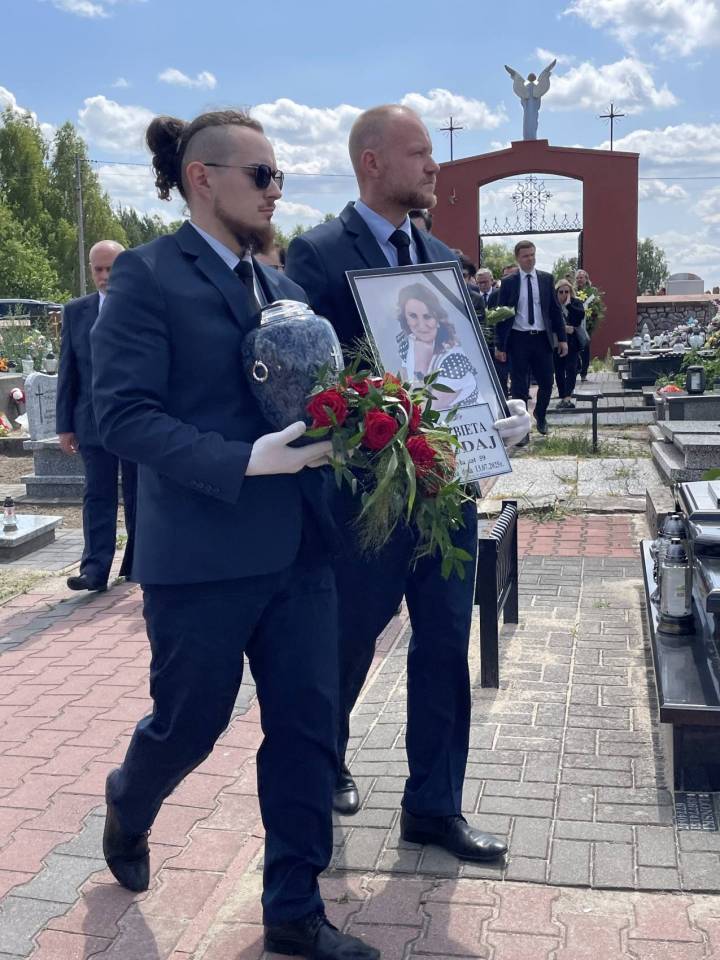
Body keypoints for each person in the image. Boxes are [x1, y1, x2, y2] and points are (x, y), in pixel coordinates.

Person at [91, 108, 379, 960]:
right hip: (203, 557)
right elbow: (123, 416)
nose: (275, 190)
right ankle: (129, 799)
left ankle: (295, 912)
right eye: (262, 175)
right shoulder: (147, 276)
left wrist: (414, 430)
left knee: (308, 729)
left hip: (300, 551)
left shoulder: (281, 287)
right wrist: (244, 461)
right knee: (191, 723)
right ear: (202, 179)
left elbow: (325, 402)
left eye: (279, 175)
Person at [286, 104, 529, 864]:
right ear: (372, 162)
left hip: (448, 491)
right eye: (419, 152)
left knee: (444, 646)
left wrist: (501, 416)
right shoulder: (319, 254)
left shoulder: (445, 259)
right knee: (348, 640)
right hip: (366, 499)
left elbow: (461, 366)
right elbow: (307, 383)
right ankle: (323, 763)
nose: (434, 166)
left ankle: (433, 806)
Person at [56, 240, 137, 592]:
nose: (104, 276)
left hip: (135, 418)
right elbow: (68, 371)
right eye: (98, 269)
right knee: (97, 494)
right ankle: (94, 569)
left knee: (137, 493)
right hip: (91, 420)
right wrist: (65, 426)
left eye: (111, 268)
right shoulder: (77, 312)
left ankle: (137, 562)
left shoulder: (143, 307)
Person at [494, 240, 567, 436]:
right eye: (526, 256)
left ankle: (540, 414)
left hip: (541, 338)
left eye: (532, 255)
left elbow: (555, 311)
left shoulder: (546, 279)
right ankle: (522, 430)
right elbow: (501, 315)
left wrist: (562, 339)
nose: (530, 259)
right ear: (518, 258)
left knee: (547, 381)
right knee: (519, 386)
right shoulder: (509, 282)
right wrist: (500, 345)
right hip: (518, 339)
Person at [396, 282, 479, 409]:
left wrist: (421, 361)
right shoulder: (407, 344)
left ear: (438, 319)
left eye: (427, 316)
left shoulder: (455, 359)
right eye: (413, 316)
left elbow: (426, 409)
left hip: (470, 419)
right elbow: (403, 384)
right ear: (405, 318)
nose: (421, 325)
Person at [553, 279, 585, 408]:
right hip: (556, 342)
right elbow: (548, 321)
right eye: (561, 292)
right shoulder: (553, 304)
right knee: (559, 370)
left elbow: (579, 317)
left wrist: (568, 305)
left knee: (571, 369)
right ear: (556, 292)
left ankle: (567, 397)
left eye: (567, 291)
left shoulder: (575, 303)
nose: (564, 294)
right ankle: (562, 396)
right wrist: (562, 328)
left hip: (572, 342)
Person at [575, 268, 592, 381]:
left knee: (585, 349)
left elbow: (596, 306)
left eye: (581, 277)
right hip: (576, 325)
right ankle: (577, 368)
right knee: (575, 349)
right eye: (577, 278)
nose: (579, 280)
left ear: (586, 279)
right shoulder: (572, 291)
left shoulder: (591, 291)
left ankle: (584, 373)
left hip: (587, 325)